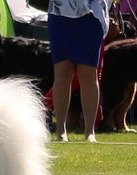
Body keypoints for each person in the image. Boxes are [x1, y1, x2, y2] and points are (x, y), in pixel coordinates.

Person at [48, 0, 111, 142]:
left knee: (88, 73)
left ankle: (90, 131)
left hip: (91, 15)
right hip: (59, 13)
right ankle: (60, 130)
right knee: (62, 71)